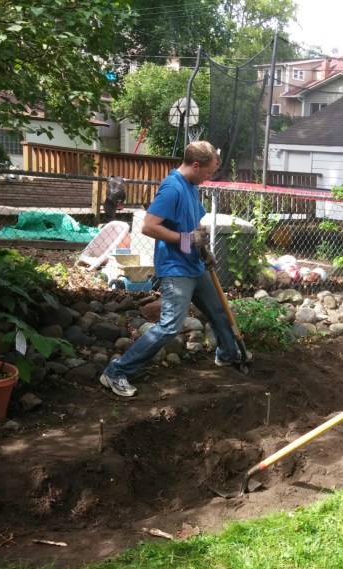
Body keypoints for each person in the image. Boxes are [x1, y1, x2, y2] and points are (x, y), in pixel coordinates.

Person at [100, 141, 251, 397]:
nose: (209, 177)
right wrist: (186, 240)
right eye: (208, 172)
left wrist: (205, 251)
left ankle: (228, 354)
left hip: (194, 263)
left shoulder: (192, 187)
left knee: (218, 310)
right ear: (195, 165)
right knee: (170, 325)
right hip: (175, 268)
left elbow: (194, 227)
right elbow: (148, 226)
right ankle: (116, 372)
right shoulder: (172, 188)